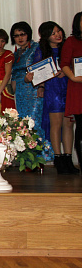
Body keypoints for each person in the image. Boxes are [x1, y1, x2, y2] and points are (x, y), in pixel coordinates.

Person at [32, 22, 77, 174]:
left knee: (68, 124)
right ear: (46, 37)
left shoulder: (67, 46)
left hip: (69, 86)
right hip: (53, 89)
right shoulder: (41, 50)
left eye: (58, 31)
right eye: (53, 33)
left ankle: (68, 157)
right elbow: (37, 72)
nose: (58, 35)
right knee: (56, 124)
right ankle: (58, 158)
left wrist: (67, 71)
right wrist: (41, 86)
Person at [11, 21, 52, 163]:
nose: (20, 38)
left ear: (28, 34)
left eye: (22, 34)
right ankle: (28, 159)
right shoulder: (16, 53)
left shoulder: (36, 48)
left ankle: (40, 158)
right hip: (20, 92)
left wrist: (41, 87)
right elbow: (14, 75)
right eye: (16, 36)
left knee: (34, 123)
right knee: (23, 125)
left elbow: (43, 68)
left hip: (34, 91)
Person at [61, 12, 82, 174]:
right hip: (78, 88)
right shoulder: (71, 41)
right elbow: (64, 64)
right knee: (81, 128)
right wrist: (73, 77)